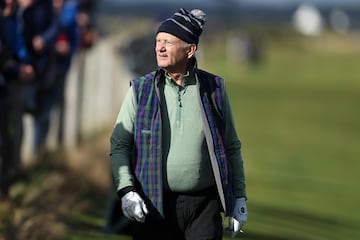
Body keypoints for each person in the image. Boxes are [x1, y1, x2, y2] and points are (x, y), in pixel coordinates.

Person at [109, 8, 248, 240]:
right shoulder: (140, 90)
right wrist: (126, 190)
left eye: (168, 42)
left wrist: (239, 198)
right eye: (158, 41)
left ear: (190, 50)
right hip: (153, 204)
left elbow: (231, 146)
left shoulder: (214, 89)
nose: (160, 47)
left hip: (204, 207)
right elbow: (119, 144)